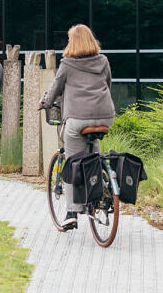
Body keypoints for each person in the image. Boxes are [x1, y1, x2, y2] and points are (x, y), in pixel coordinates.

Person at [39, 24, 114, 229]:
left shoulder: (68, 64)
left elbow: (54, 89)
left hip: (78, 119)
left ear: (73, 42)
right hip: (106, 117)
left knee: (73, 162)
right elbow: (108, 83)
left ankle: (72, 211)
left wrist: (44, 103)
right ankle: (102, 189)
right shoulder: (103, 60)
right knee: (93, 154)